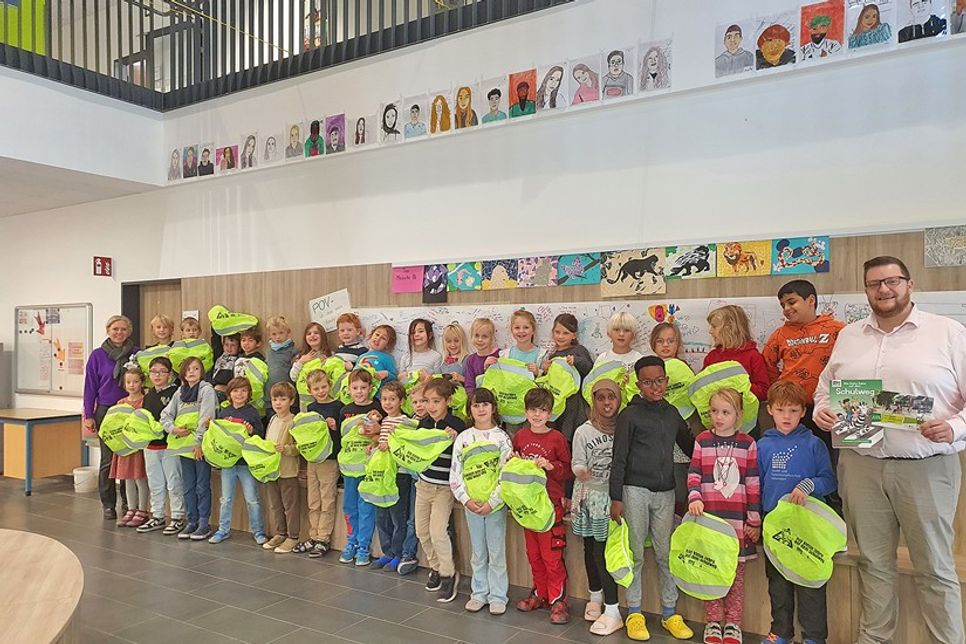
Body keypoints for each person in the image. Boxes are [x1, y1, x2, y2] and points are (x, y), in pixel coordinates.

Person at [813, 256, 966, 644]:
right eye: (874, 284)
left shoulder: (947, 333)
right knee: (873, 564)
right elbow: (824, 386)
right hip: (860, 464)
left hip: (925, 467)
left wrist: (953, 427)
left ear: (909, 285)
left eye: (892, 281)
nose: (884, 290)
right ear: (865, 290)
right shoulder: (849, 335)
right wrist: (822, 410)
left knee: (934, 568)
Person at [609, 357, 695, 641]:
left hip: (666, 492)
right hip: (634, 491)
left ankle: (670, 613)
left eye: (660, 380)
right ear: (638, 384)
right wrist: (616, 496)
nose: (655, 387)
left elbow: (691, 445)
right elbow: (618, 457)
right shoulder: (629, 416)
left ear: (667, 381)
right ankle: (634, 612)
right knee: (634, 554)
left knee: (665, 554)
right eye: (648, 382)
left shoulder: (672, 413)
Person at [757, 381, 836, 644]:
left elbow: (829, 480)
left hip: (807, 524)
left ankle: (814, 637)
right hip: (774, 523)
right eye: (781, 410)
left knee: (810, 580)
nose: (787, 416)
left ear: (803, 411)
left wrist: (810, 484)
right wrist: (756, 518)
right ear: (770, 410)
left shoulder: (814, 444)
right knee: (778, 581)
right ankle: (780, 631)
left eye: (793, 410)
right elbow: (755, 483)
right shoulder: (762, 446)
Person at [688, 387, 761, 644]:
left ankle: (733, 624)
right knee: (711, 573)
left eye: (725, 412)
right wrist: (695, 497)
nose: (718, 417)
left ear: (738, 415)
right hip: (710, 523)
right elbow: (694, 474)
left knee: (735, 578)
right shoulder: (702, 440)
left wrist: (754, 520)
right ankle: (713, 622)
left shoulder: (748, 444)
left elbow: (752, 483)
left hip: (736, 526)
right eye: (714, 411)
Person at [762, 280, 846, 472]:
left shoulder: (836, 329)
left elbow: (852, 362)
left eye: (791, 302)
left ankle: (830, 497)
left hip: (827, 407)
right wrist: (780, 391)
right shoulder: (780, 335)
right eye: (782, 305)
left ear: (811, 300)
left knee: (828, 457)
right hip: (792, 409)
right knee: (796, 456)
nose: (786, 308)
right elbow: (767, 364)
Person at [513, 387, 573, 625]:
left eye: (542, 410)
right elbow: (514, 465)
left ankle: (558, 600)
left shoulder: (557, 438)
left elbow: (567, 471)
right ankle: (540, 593)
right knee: (534, 554)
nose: (537, 415)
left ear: (550, 413)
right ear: (525, 412)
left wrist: (550, 467)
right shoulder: (520, 436)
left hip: (550, 504)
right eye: (532, 410)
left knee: (552, 555)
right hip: (528, 505)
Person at [450, 387, 512, 615]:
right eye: (476, 405)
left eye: (485, 404)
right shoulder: (464, 438)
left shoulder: (502, 438)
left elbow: (506, 473)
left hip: (494, 506)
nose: (481, 409)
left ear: (493, 408)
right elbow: (455, 473)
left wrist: (493, 501)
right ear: (470, 409)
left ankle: (497, 595)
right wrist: (466, 500)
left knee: (496, 551)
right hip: (472, 506)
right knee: (478, 551)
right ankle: (479, 593)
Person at [571, 379, 622, 636]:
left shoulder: (624, 428)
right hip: (587, 496)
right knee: (589, 548)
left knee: (604, 553)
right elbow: (577, 461)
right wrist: (581, 471)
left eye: (610, 397)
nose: (606, 403)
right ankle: (595, 595)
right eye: (600, 398)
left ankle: (613, 608)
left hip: (610, 499)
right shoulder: (584, 431)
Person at [416, 378, 466, 602]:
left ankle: (448, 573)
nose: (431, 406)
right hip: (423, 485)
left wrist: (455, 440)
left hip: (444, 488)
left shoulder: (457, 425)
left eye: (436, 401)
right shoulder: (423, 424)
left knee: (438, 531)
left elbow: (464, 456)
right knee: (422, 532)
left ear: (448, 401)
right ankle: (435, 566)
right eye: (427, 401)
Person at [84, 315, 137, 520]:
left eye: (123, 329)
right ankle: (108, 504)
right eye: (115, 329)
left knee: (128, 457)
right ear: (108, 330)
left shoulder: (136, 353)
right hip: (106, 411)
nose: (119, 333)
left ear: (128, 332)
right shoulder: (97, 356)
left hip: (130, 410)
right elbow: (90, 387)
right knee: (107, 459)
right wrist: (89, 415)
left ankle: (129, 503)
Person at [160, 356, 217, 540]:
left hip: (199, 448)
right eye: (189, 369)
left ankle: (203, 523)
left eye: (196, 369)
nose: (192, 372)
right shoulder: (179, 393)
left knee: (202, 486)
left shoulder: (206, 391)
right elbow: (165, 415)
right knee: (188, 486)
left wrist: (199, 443)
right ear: (183, 373)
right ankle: (191, 521)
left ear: (202, 372)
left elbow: (206, 418)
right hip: (183, 448)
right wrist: (173, 428)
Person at [208, 377, 268, 545]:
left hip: (245, 463)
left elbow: (260, 437)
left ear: (249, 393)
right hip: (228, 463)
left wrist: (252, 431)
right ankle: (223, 530)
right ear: (229, 394)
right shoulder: (225, 412)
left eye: (243, 390)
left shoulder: (252, 412)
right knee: (225, 499)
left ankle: (258, 531)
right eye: (235, 391)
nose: (239, 394)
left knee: (252, 499)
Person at [339, 369, 385, 566]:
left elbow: (381, 436)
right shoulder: (344, 410)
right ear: (349, 389)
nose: (359, 391)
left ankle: (363, 546)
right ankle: (351, 543)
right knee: (350, 507)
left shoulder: (377, 409)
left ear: (371, 389)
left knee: (366, 508)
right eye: (355, 388)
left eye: (363, 387)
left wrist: (376, 428)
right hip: (350, 471)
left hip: (368, 470)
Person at [649, 322, 696, 516]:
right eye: (660, 341)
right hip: (653, 430)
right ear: (653, 344)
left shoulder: (685, 368)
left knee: (678, 473)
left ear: (678, 344)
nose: (665, 345)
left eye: (671, 341)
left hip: (680, 429)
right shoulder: (648, 368)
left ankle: (678, 514)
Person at [371, 381, 417, 572]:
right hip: (383, 475)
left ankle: (398, 553)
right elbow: (380, 443)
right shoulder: (383, 422)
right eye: (384, 399)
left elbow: (405, 446)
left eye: (392, 399)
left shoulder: (406, 422)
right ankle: (387, 551)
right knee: (382, 516)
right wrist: (373, 448)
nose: (388, 403)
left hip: (400, 475)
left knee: (398, 517)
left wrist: (390, 444)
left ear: (401, 401)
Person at [137, 357, 185, 535]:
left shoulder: (176, 393)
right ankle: (157, 515)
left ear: (170, 374)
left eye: (161, 371)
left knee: (174, 482)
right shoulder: (148, 395)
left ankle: (178, 516)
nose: (157, 375)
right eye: (153, 372)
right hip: (150, 446)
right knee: (155, 482)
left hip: (169, 445)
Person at [299, 370, 343, 557]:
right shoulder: (310, 408)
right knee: (313, 500)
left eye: (324, 386)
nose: (321, 391)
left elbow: (343, 436)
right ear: (310, 390)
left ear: (330, 385)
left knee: (327, 500)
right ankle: (314, 535)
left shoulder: (339, 407)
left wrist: (335, 427)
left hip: (330, 459)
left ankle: (323, 538)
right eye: (316, 388)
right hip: (313, 460)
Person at [541, 313, 594, 441]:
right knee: (558, 436)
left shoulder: (579, 350)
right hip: (558, 404)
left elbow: (590, 370)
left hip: (575, 406)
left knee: (573, 437)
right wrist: (545, 371)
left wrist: (576, 361)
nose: (560, 336)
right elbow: (549, 382)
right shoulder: (553, 356)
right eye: (557, 332)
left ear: (574, 335)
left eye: (565, 333)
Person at [261, 382, 301, 553]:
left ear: (291, 401)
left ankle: (293, 536)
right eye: (275, 399)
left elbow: (300, 447)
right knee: (275, 504)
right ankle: (280, 533)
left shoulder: (294, 421)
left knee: (290, 505)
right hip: (272, 470)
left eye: (283, 399)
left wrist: (286, 449)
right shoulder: (272, 419)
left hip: (288, 470)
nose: (278, 403)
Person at [111, 367, 151, 529]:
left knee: (140, 478)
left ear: (142, 383)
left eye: (135, 382)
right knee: (127, 478)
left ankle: (142, 510)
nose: (132, 385)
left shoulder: (145, 401)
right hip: (124, 447)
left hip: (139, 446)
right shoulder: (121, 403)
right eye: (128, 382)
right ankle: (131, 508)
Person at [705, 304, 770, 401]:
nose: (710, 331)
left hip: (745, 414)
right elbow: (702, 388)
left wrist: (737, 387)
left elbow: (764, 391)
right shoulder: (712, 357)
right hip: (716, 414)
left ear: (730, 328)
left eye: (714, 327)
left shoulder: (753, 356)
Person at [289, 322, 331, 402]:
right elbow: (293, 377)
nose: (312, 335)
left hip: (324, 400)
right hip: (305, 403)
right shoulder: (300, 357)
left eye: (316, 333)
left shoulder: (330, 355)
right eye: (309, 333)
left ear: (322, 336)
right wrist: (301, 361)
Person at [265, 316, 299, 415]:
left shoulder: (293, 350)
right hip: (271, 397)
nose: (277, 337)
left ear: (288, 332)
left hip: (288, 398)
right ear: (269, 335)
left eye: (281, 333)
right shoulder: (269, 351)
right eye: (274, 334)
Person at [358, 325, 398, 395]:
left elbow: (395, 376)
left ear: (387, 345)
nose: (378, 338)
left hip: (377, 396)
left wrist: (386, 374)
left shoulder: (387, 358)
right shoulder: (361, 356)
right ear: (371, 336)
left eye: (383, 338)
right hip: (359, 394)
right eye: (377, 334)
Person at [399, 318, 443, 382]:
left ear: (430, 335)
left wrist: (427, 378)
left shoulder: (436, 356)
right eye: (413, 332)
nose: (416, 335)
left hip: (427, 389)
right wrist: (402, 376)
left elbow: (439, 380)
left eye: (421, 331)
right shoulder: (406, 356)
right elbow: (400, 378)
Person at [463, 317, 499, 395]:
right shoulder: (470, 360)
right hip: (478, 400)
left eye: (484, 336)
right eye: (476, 335)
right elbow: (469, 385)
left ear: (492, 338)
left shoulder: (500, 355)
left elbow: (500, 381)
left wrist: (487, 368)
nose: (480, 339)